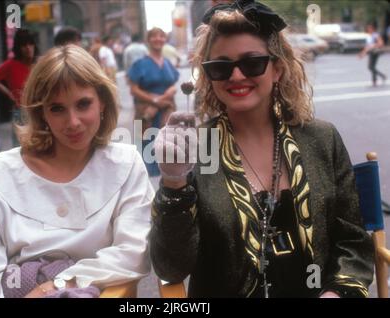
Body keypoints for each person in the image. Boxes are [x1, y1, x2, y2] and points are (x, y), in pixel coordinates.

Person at [150, 0, 373, 298]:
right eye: (220, 67)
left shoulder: (322, 139)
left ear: (277, 69)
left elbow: (353, 244)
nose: (237, 76)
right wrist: (173, 182)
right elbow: (171, 268)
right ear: (208, 76)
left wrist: (336, 293)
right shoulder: (196, 149)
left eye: (252, 62)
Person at [0, 45, 153, 297]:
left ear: (102, 102)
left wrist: (57, 284)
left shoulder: (126, 164)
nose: (73, 122)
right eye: (57, 108)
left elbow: (134, 252)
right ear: (41, 112)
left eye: (83, 104)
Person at [127, 27, 179, 176]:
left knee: (167, 143)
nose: (158, 39)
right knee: (148, 144)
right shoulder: (140, 64)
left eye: (161, 36)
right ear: (148, 40)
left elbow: (172, 83)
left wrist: (171, 91)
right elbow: (134, 90)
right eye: (154, 36)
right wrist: (156, 100)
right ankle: (149, 178)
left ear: (165, 40)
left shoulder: (168, 63)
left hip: (166, 111)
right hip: (147, 113)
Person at [0, 29, 38, 146]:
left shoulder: (38, 64)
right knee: (21, 147)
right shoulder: (11, 65)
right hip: (21, 111)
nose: (28, 48)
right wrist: (9, 94)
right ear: (18, 48)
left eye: (31, 44)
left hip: (39, 110)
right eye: (24, 45)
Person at [359, 22, 387, 87]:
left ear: (372, 29)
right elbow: (367, 46)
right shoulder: (369, 36)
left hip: (375, 52)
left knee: (371, 67)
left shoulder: (375, 35)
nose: (368, 29)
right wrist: (362, 54)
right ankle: (378, 78)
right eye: (368, 28)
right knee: (371, 67)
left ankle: (378, 78)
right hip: (371, 52)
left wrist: (373, 45)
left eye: (370, 28)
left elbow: (381, 43)